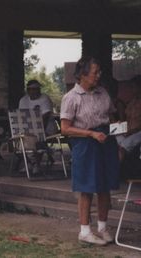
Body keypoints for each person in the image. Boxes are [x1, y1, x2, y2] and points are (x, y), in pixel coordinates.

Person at [60, 56, 119, 245]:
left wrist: (117, 127)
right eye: (95, 72)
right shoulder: (71, 98)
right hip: (85, 143)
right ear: (83, 75)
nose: (98, 75)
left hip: (105, 140)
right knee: (86, 187)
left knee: (104, 186)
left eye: (99, 72)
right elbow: (65, 129)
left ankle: (102, 228)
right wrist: (90, 134)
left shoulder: (103, 93)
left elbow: (111, 115)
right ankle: (84, 231)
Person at [116, 75, 141, 161]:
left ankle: (117, 172)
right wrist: (120, 125)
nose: (131, 89)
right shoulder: (132, 102)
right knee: (112, 140)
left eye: (133, 87)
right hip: (128, 132)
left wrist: (130, 132)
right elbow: (127, 119)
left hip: (138, 133)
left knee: (122, 148)